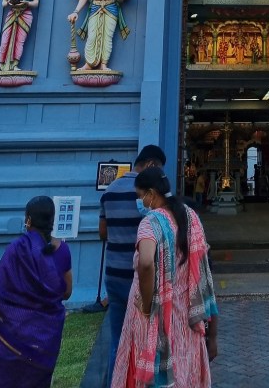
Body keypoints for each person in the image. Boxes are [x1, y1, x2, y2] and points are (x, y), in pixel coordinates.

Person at [111, 167, 218, 388]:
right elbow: (204, 266)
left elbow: (146, 262)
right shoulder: (190, 216)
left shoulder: (150, 222)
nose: (141, 201)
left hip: (158, 316)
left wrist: (148, 304)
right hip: (187, 315)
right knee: (185, 370)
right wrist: (213, 335)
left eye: (141, 196)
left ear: (151, 193)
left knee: (155, 371)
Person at [0, 195, 72, 388]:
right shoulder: (63, 250)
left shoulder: (16, 248)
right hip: (45, 336)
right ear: (52, 220)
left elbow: (0, 291)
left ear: (28, 219)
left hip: (11, 334)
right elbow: (66, 292)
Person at [100, 145, 167, 386]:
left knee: (117, 338)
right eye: (158, 168)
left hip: (113, 275)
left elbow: (103, 232)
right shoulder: (148, 196)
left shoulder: (110, 190)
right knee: (147, 336)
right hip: (139, 278)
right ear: (151, 165)